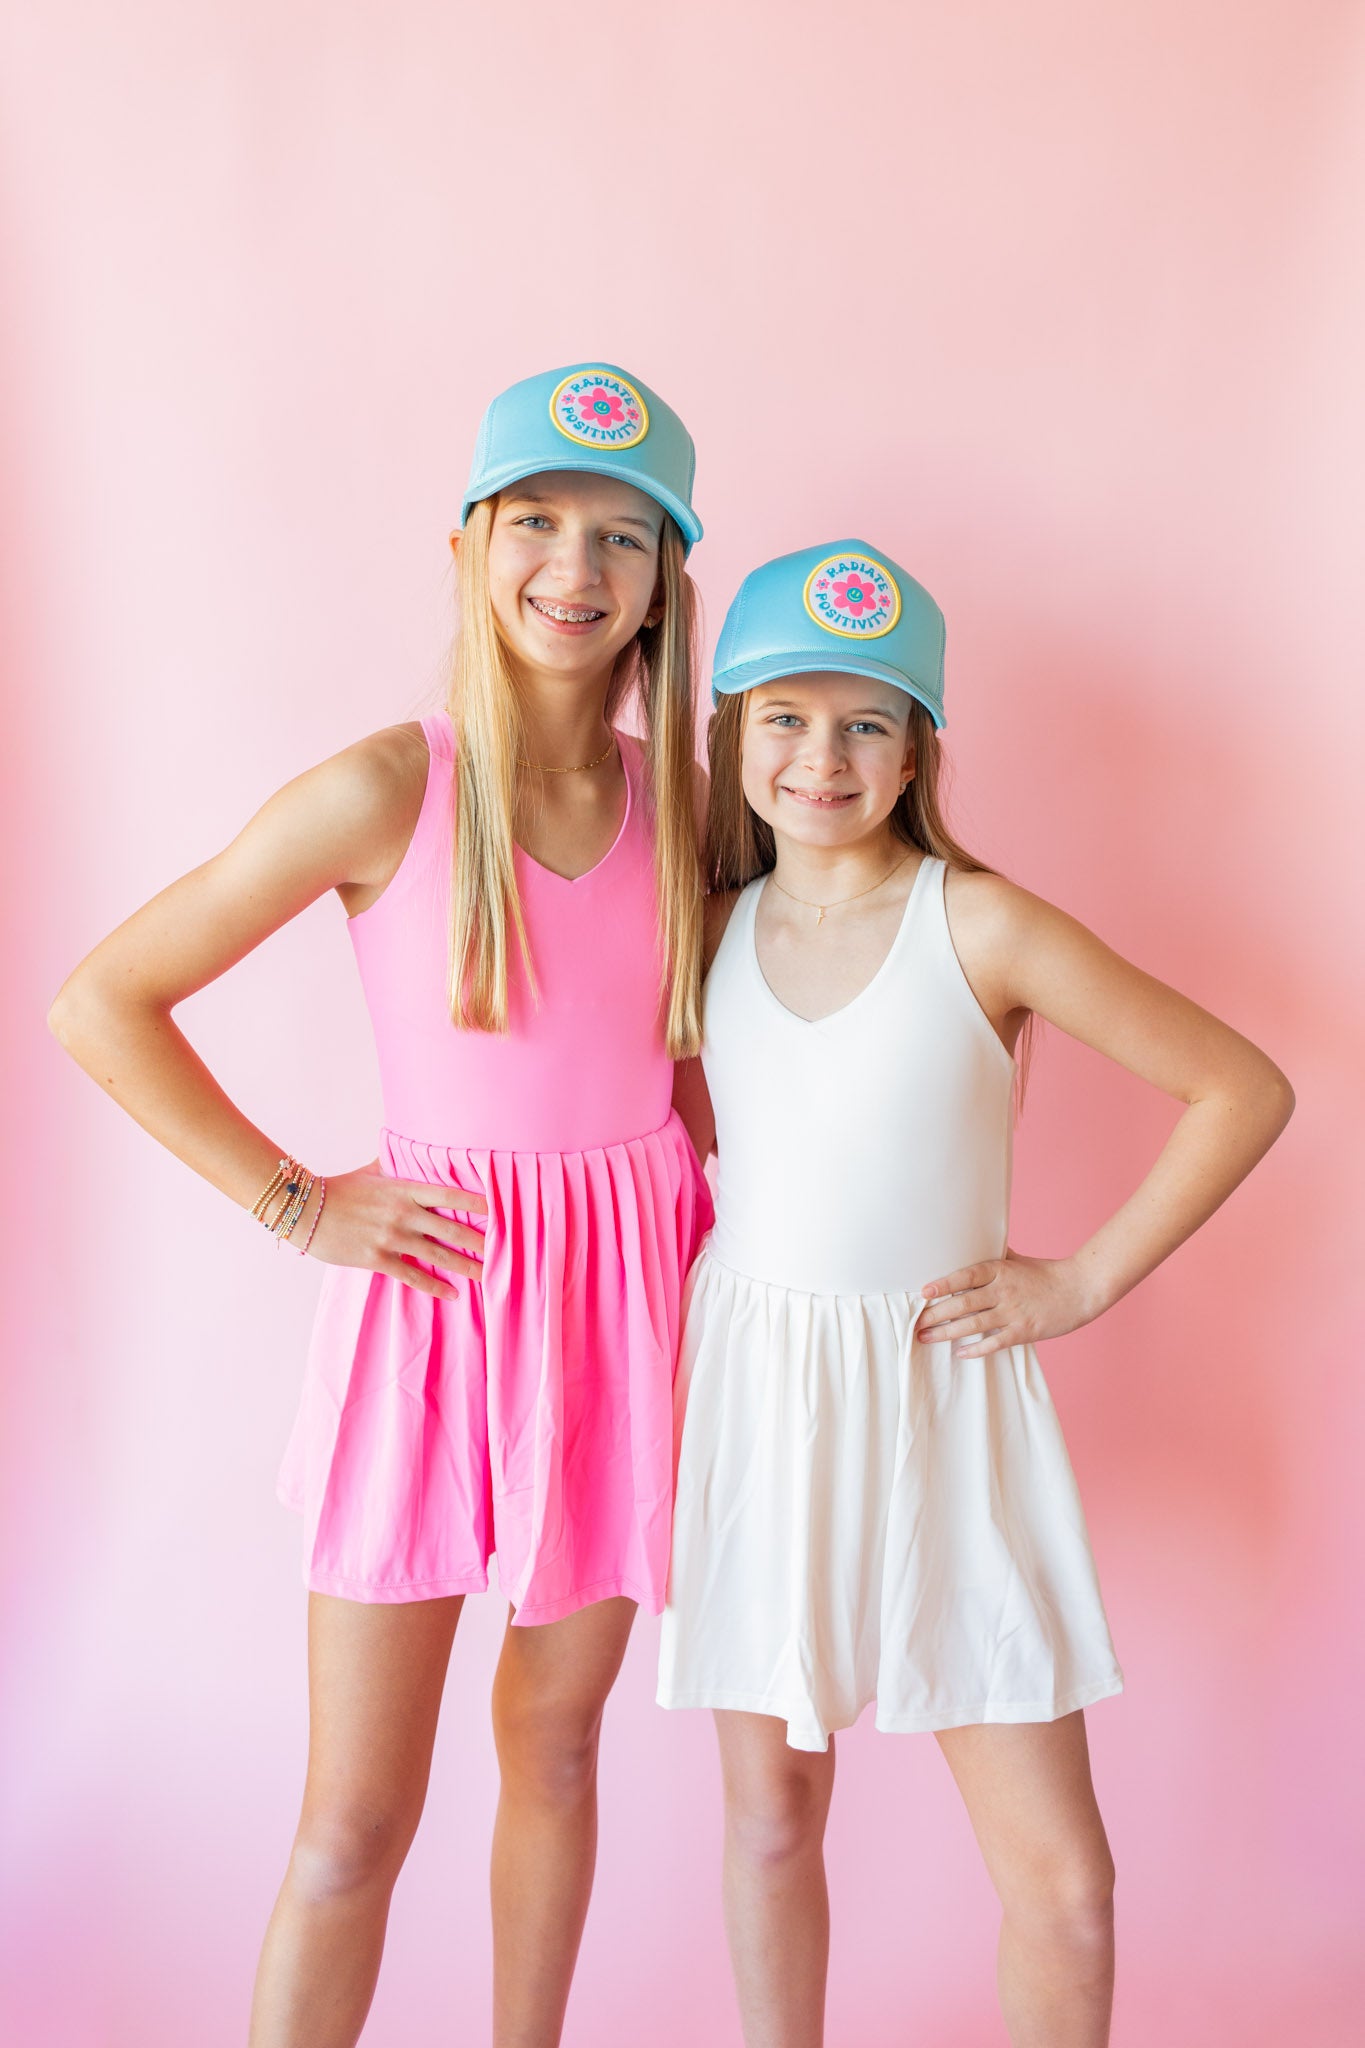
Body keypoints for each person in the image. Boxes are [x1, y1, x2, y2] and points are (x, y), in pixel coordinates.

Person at [49, 362, 713, 2048]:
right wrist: (295, 1202)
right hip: (433, 1312)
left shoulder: (691, 812)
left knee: (554, 1747)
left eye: (622, 535)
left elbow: (706, 1069)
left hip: (628, 1312)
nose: (575, 565)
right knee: (353, 1821)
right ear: (469, 544)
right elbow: (103, 999)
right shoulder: (385, 790)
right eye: (538, 520)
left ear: (663, 582)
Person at [657, 540, 1293, 2048]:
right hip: (759, 1397)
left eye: (865, 723)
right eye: (785, 718)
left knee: (1063, 1884)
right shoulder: (705, 932)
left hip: (944, 1398)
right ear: (731, 733)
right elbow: (692, 1146)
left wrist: (1080, 1280)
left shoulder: (979, 924)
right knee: (769, 1819)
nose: (822, 758)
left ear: (917, 749)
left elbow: (1241, 1087)